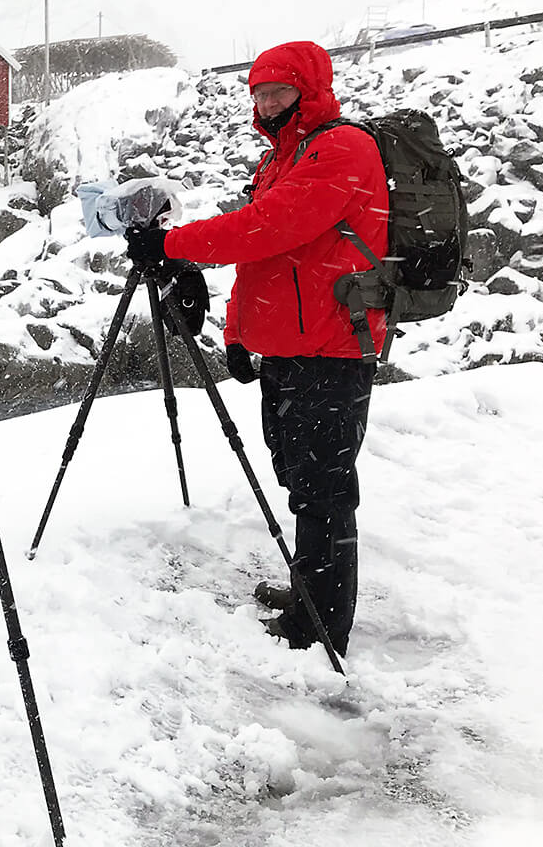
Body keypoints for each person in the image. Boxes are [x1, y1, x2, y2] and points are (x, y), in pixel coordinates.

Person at [124, 40, 388, 658]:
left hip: (330, 349)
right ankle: (309, 590)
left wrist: (173, 245)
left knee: (323, 490)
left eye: (280, 91)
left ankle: (323, 623)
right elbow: (266, 259)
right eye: (260, 92)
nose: (267, 103)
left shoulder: (341, 148)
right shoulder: (286, 156)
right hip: (292, 348)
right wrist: (239, 334)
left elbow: (267, 227)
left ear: (310, 89)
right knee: (299, 478)